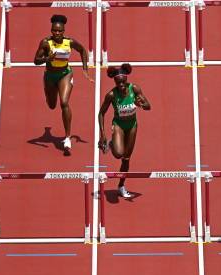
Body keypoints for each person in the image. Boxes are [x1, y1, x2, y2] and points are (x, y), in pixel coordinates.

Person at [33, 14, 93, 155]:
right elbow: (36, 60)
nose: (57, 33)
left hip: (65, 74)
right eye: (55, 31)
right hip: (50, 76)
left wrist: (85, 70)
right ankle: (48, 93)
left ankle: (67, 138)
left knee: (64, 103)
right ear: (51, 30)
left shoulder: (69, 42)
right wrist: (48, 58)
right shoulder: (46, 43)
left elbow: (83, 50)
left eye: (60, 31)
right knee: (52, 105)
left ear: (64, 31)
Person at [98, 63, 151, 198]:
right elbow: (101, 113)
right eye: (118, 83)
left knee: (126, 159)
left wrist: (141, 105)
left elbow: (148, 106)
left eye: (122, 82)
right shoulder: (111, 95)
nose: (121, 85)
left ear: (126, 80)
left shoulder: (135, 89)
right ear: (115, 82)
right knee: (118, 154)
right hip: (119, 125)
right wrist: (102, 135)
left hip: (132, 126)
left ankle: (121, 186)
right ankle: (111, 144)